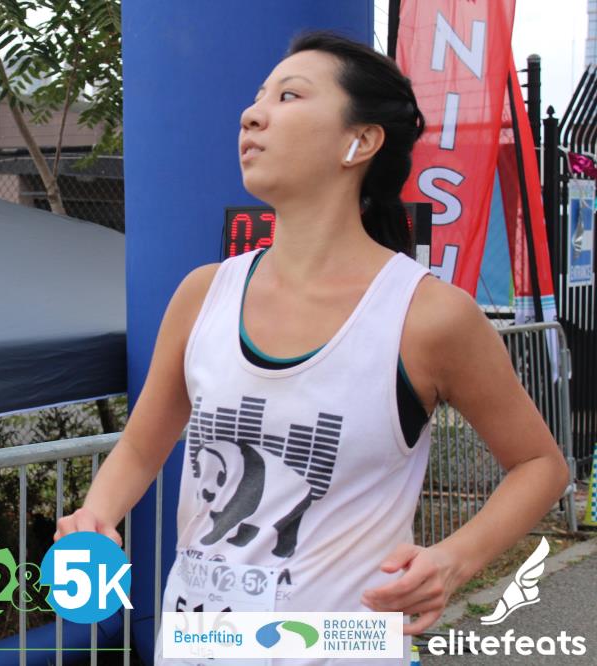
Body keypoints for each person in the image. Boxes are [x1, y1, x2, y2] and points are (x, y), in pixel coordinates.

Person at [54, 32, 569, 665]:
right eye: (258, 97)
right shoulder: (204, 294)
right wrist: (95, 515)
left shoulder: (426, 315)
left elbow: (540, 465)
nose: (252, 114)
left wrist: (452, 560)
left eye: (289, 96)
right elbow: (140, 447)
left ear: (361, 141)